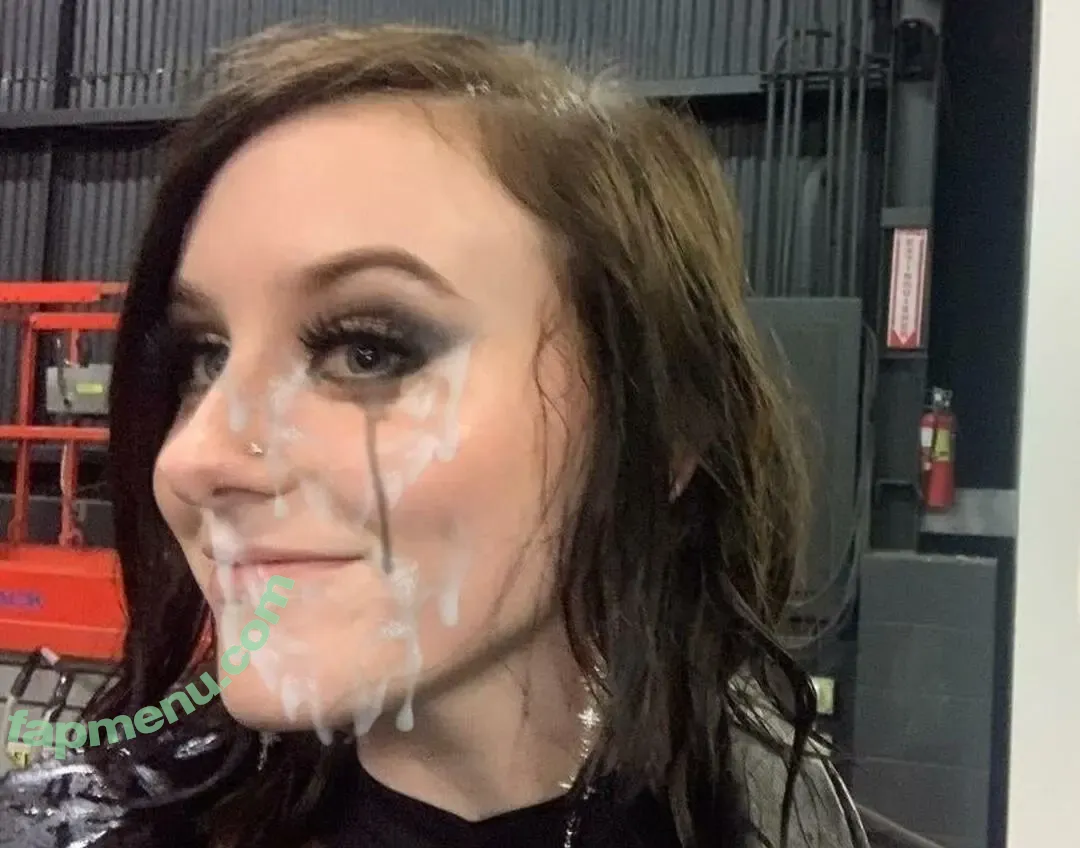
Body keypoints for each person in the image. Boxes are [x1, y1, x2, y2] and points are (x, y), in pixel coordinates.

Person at [0, 24, 868, 848]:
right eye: (204, 356)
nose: (193, 459)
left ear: (664, 431)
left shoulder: (775, 811)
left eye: (365, 350)